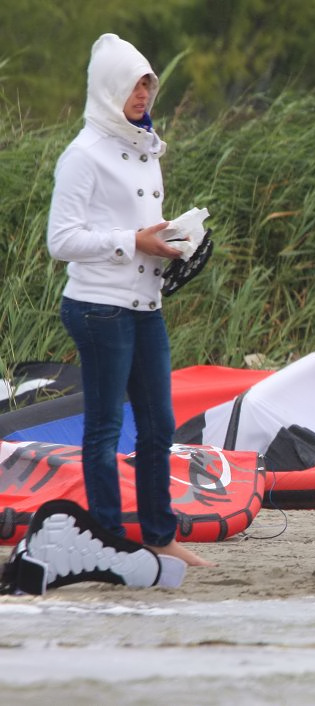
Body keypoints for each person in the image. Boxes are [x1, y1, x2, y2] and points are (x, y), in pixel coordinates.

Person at [46, 34, 211, 568]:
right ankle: (109, 541)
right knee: (104, 429)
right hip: (98, 307)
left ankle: (159, 535)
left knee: (160, 426)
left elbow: (143, 228)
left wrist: (174, 247)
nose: (143, 93)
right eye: (134, 84)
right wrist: (133, 242)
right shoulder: (83, 155)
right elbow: (61, 240)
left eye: (148, 83)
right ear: (108, 88)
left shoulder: (144, 145)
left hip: (145, 305)